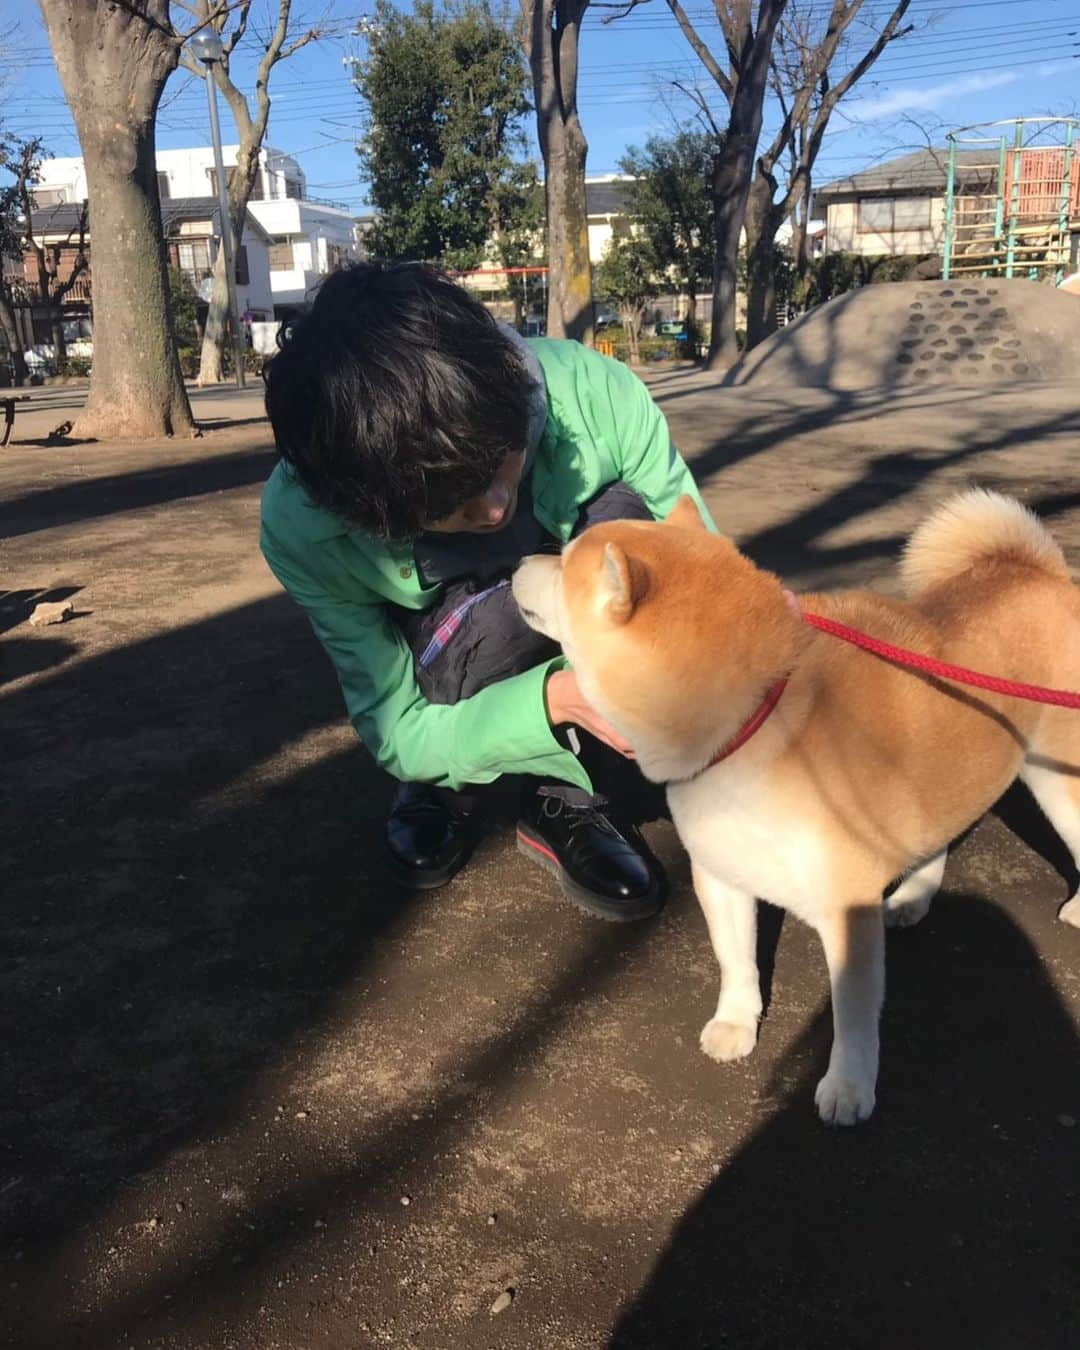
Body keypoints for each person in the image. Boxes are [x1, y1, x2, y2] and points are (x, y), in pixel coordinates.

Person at [260, 261, 716, 922]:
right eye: (452, 503)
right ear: (365, 509)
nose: (497, 507)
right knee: (484, 650)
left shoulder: (591, 389)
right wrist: (554, 698)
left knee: (632, 524)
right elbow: (398, 726)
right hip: (450, 642)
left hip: (560, 587)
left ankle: (559, 795)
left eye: (501, 457)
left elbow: (702, 571)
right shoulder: (305, 524)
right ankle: (441, 788)